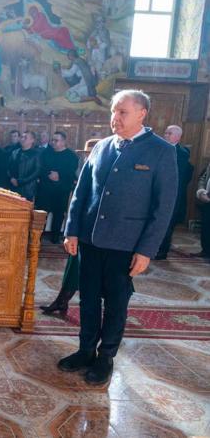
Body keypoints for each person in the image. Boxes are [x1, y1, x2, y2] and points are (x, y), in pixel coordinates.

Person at [59, 89, 177, 386]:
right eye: (114, 111)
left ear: (141, 114)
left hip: (126, 245)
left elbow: (163, 208)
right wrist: (72, 229)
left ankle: (105, 357)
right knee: (87, 300)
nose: (116, 118)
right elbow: (81, 192)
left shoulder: (161, 151)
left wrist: (147, 250)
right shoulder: (102, 147)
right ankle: (85, 350)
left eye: (123, 112)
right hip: (90, 239)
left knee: (115, 304)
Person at [41, 137, 101, 315]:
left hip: (99, 233)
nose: (87, 158)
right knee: (73, 268)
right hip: (82, 231)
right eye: (85, 155)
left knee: (97, 276)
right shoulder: (86, 171)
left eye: (90, 155)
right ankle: (61, 301)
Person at [156, 125, 193, 259]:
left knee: (167, 224)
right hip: (157, 192)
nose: (165, 135)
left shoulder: (182, 153)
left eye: (169, 133)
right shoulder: (159, 149)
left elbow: (179, 177)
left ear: (178, 136)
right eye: (165, 132)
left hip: (173, 195)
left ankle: (162, 251)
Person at [36, 131, 79, 243]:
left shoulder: (71, 156)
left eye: (56, 140)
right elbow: (40, 167)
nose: (53, 142)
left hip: (61, 190)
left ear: (63, 141)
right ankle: (38, 237)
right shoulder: (46, 153)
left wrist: (59, 175)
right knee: (42, 214)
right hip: (45, 189)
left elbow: (71, 171)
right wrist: (48, 175)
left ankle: (55, 238)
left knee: (58, 214)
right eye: (53, 140)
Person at [7, 130, 41, 201]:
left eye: (25, 137)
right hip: (13, 187)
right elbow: (8, 168)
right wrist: (11, 178)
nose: (22, 139)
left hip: (28, 189)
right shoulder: (15, 152)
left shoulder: (36, 154)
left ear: (32, 140)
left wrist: (21, 181)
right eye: (22, 137)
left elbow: (36, 172)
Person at [194, 162, 210, 260]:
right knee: (206, 226)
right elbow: (203, 178)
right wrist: (201, 192)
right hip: (207, 198)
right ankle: (206, 251)